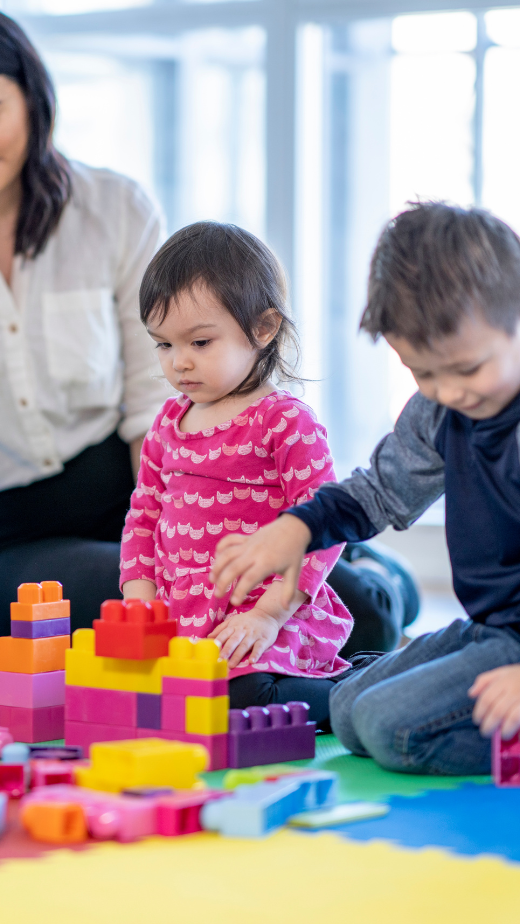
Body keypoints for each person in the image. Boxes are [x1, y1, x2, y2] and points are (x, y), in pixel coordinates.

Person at [0, 0, 418, 650]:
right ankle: (362, 575)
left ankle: (370, 574)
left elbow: (158, 401)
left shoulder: (113, 208)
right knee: (168, 629)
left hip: (155, 497)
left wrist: (184, 541)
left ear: (35, 102)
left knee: (341, 608)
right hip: (13, 541)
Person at [211, 202, 520, 774]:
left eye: (466, 370)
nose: (448, 392)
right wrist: (296, 529)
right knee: (349, 712)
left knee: (390, 732)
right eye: (423, 373)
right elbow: (381, 490)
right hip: (501, 629)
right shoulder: (444, 403)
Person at [120, 222, 352, 720]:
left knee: (240, 699)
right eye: (162, 345)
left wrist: (269, 615)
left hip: (268, 616)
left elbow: (325, 526)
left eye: (200, 343)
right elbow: (143, 517)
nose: (179, 363)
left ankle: (361, 690)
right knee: (142, 698)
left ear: (263, 329)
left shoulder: (284, 421)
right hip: (187, 623)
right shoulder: (167, 423)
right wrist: (138, 601)